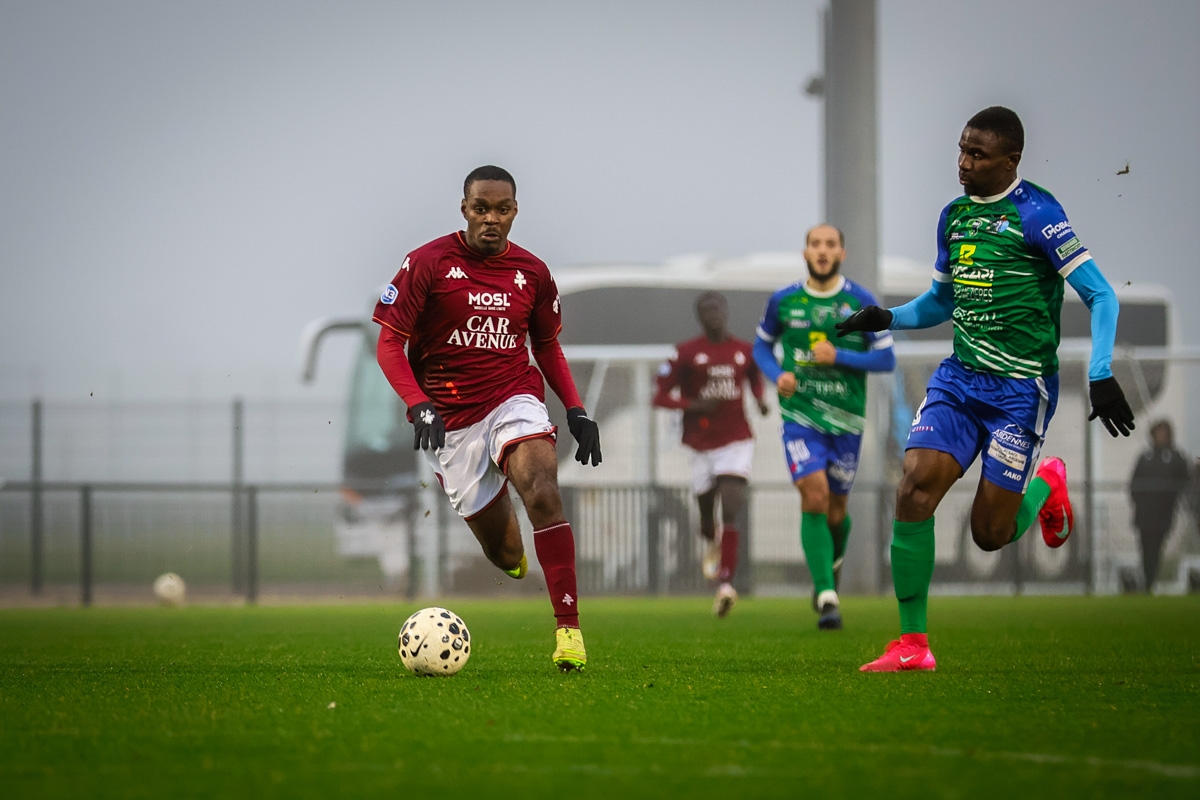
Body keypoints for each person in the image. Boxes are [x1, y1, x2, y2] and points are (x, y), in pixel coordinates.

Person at [836, 106, 1136, 671]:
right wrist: (887, 318)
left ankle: (1046, 486)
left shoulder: (1039, 215)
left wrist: (1100, 373)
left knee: (989, 534)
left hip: (1021, 391)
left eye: (978, 154)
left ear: (1011, 160)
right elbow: (942, 301)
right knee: (913, 490)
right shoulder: (954, 217)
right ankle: (912, 645)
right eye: (961, 149)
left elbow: (1102, 295)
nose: (964, 163)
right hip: (960, 379)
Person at [373, 165, 603, 672]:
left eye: (502, 209)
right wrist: (418, 403)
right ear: (465, 209)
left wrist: (576, 409)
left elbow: (546, 345)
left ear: (515, 211)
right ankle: (510, 549)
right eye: (481, 208)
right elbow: (389, 343)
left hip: (513, 397)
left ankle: (569, 630)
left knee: (543, 490)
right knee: (506, 556)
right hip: (451, 424)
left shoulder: (533, 272)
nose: (491, 219)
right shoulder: (428, 262)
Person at [753, 224, 896, 630]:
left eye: (830, 244)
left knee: (836, 511)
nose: (822, 250)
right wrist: (776, 374)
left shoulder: (860, 301)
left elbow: (886, 360)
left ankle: (828, 575)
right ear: (805, 252)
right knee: (813, 495)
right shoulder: (784, 300)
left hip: (846, 419)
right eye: (815, 244)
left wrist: (840, 357)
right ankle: (827, 596)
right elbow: (761, 346)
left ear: (841, 254)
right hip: (800, 416)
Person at [653, 291, 769, 617]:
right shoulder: (687, 353)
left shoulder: (743, 350)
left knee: (731, 505)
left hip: (736, 439)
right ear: (699, 316)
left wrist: (760, 399)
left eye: (717, 308)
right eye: (706, 310)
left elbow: (754, 377)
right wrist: (693, 404)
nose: (712, 314)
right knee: (707, 515)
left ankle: (726, 585)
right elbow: (660, 396)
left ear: (726, 312)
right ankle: (709, 535)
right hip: (701, 444)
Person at [1130, 420, 1190, 592]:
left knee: (1156, 547)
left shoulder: (1176, 457)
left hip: (1163, 514)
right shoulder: (1145, 457)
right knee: (1145, 547)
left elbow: (1184, 482)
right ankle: (1147, 582)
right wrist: (1140, 501)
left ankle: (1151, 580)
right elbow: (1134, 484)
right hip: (1144, 514)